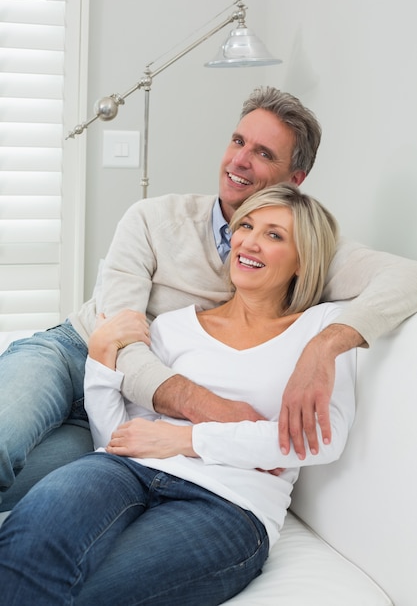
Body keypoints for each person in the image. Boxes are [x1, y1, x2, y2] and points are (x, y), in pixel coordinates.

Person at [0, 86, 417, 509]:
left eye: (264, 153)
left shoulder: (305, 250)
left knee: (22, 489)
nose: (239, 160)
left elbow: (407, 277)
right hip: (74, 354)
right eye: (238, 141)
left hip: (125, 412)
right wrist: (215, 409)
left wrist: (325, 346)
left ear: (295, 181)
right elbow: (122, 342)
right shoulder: (153, 218)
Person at [0, 185, 356, 605]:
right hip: (124, 470)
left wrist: (186, 440)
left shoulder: (325, 328)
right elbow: (116, 436)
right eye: (246, 225)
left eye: (274, 235)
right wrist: (100, 360)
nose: (250, 241)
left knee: (90, 595)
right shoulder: (174, 326)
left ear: (303, 260)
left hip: (228, 503)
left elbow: (323, 437)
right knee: (25, 547)